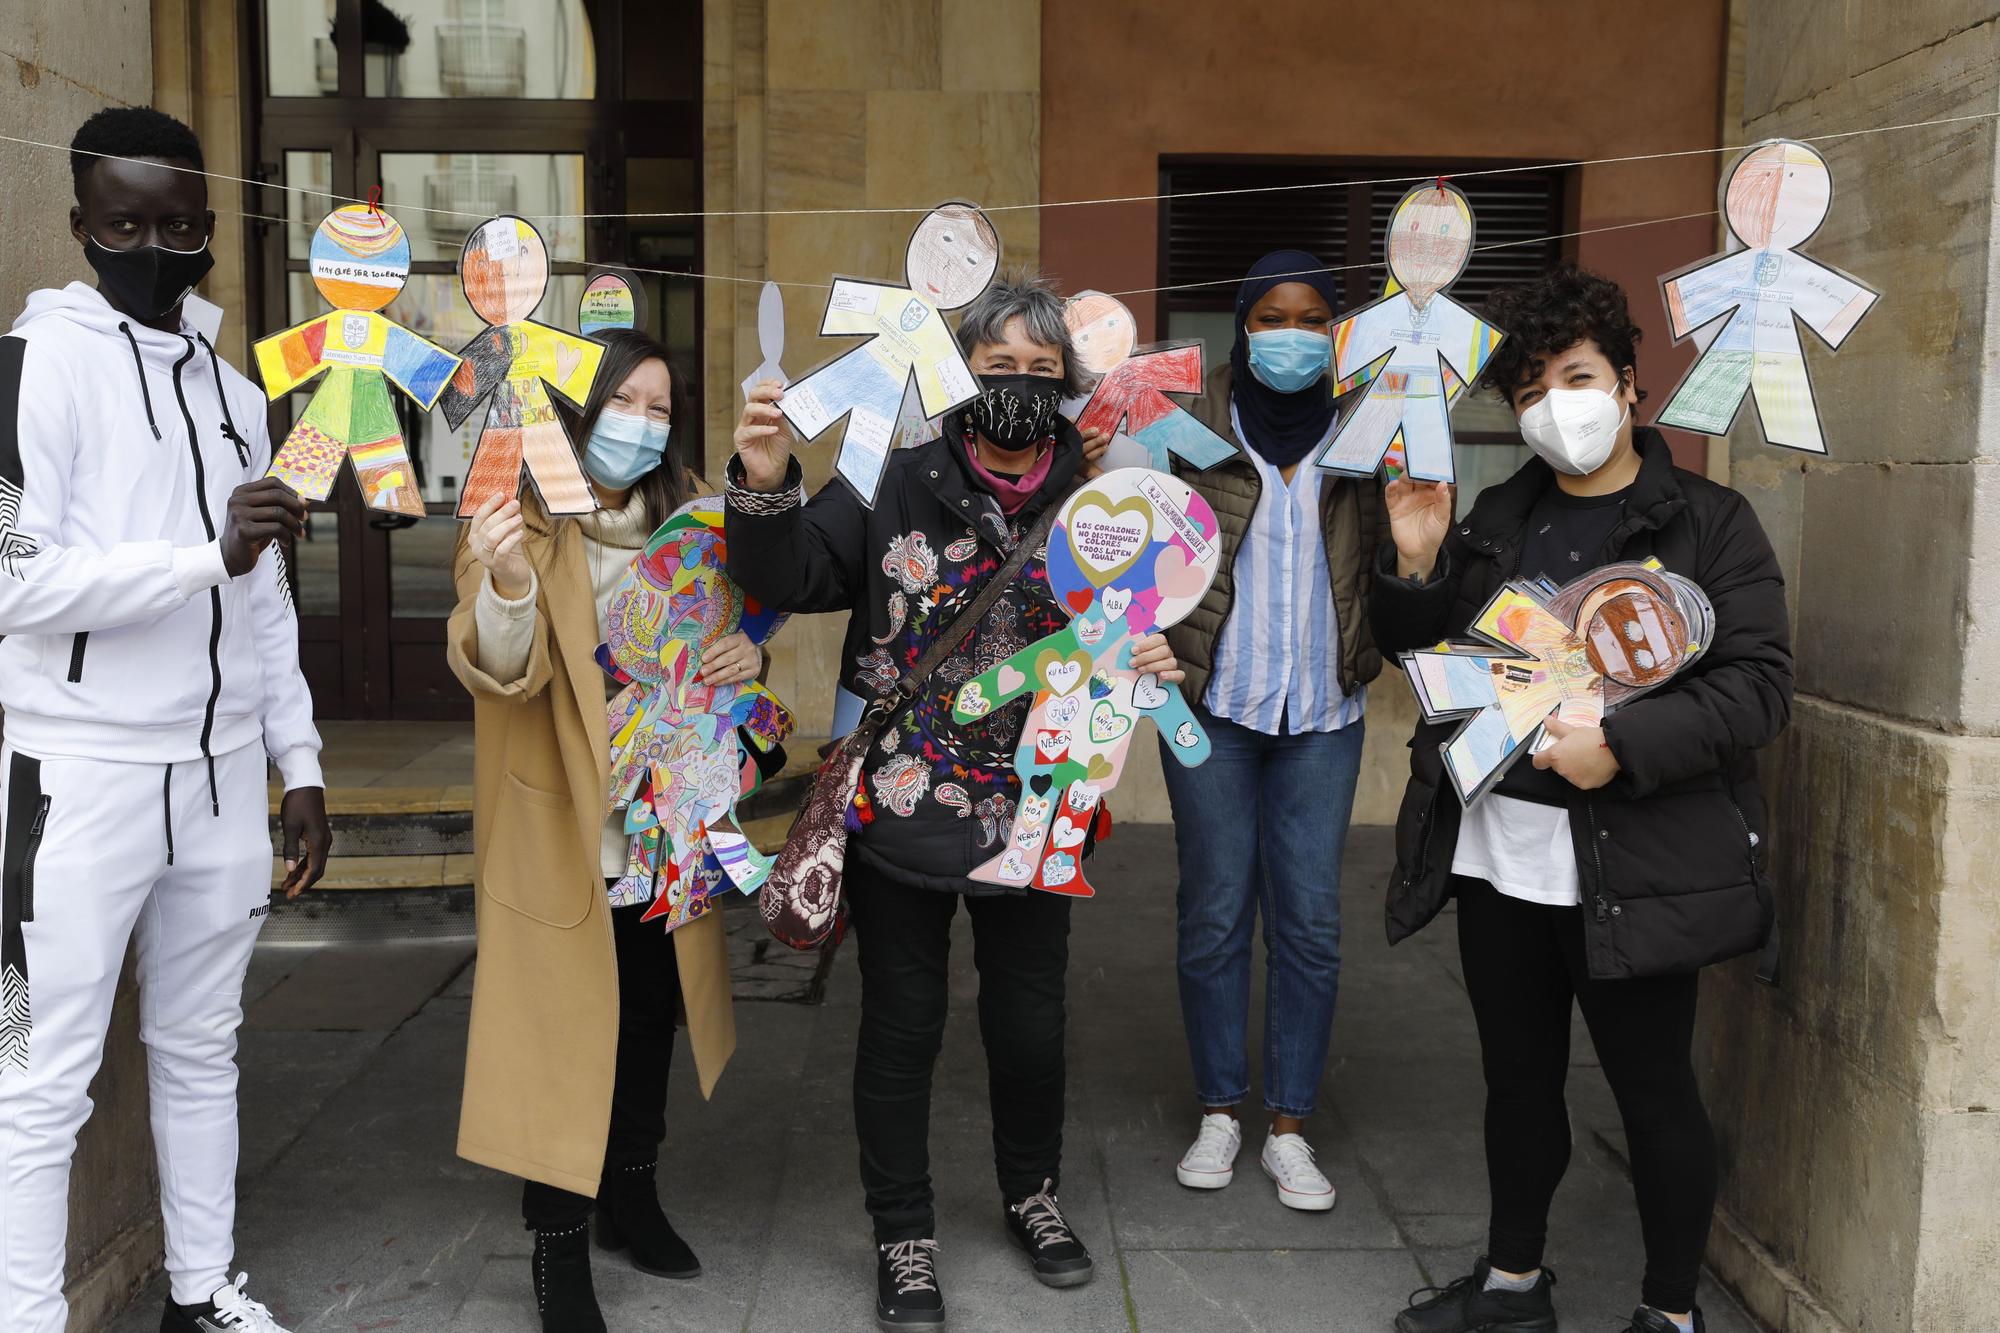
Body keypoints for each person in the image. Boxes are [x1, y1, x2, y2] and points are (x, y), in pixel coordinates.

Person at [726, 275, 1162, 1330]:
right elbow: (789, 571)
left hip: (1038, 805)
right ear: (960, 372)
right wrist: (768, 478)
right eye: (996, 365)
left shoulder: (1098, 494)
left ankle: (1032, 1194)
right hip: (899, 803)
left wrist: (1145, 646)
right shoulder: (890, 474)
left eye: (1040, 372)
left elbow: (1137, 625)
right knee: (901, 1026)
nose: (1017, 387)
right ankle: (903, 1232)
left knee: (1028, 1023)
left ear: (1067, 388)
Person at [1377, 265, 1791, 1333]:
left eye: (1574, 376)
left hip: (1634, 859)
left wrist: (1620, 743)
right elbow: (1437, 673)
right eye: (1526, 392)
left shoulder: (1707, 521)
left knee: (1651, 1091)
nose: (1553, 406)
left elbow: (1756, 686)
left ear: (1628, 387)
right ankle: (1512, 1283)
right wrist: (1418, 565)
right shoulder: (1497, 523)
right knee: (1515, 1081)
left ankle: (1668, 1313)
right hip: (1499, 852)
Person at [0, 107, 331, 1333]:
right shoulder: (30, 366)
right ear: (82, 223)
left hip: (219, 780)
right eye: (125, 221)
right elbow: (10, 579)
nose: (153, 244)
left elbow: (268, 602)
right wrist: (203, 554)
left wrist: (295, 760)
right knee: (31, 1075)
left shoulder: (239, 394)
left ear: (209, 223)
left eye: (178, 222)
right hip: (73, 783)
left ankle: (203, 1293)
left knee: (202, 1052)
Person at [449, 329, 755, 1333]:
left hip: (666, 827)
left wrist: (738, 661)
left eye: (660, 408)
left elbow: (731, 639)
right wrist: (505, 584)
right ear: (578, 411)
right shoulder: (519, 520)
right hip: (566, 826)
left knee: (651, 1011)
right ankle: (555, 1241)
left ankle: (632, 1192)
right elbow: (502, 667)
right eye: (625, 400)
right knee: (565, 1034)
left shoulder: (695, 525)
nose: (641, 423)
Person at [1160, 251, 1384, 1210]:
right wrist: (1142, 638)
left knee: (1312, 923)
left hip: (1324, 715)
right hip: (1210, 704)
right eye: (1271, 316)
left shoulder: (1374, 428)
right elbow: (1121, 531)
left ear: (1335, 333)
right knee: (1214, 911)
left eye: (1312, 318)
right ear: (1242, 326)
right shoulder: (1186, 423)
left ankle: (1289, 1126)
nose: (1290, 334)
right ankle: (1220, 1108)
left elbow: (1410, 553)